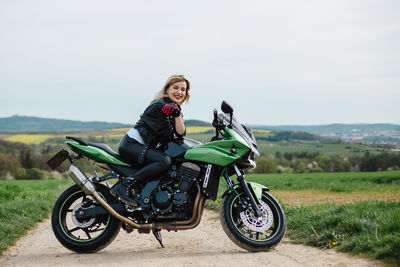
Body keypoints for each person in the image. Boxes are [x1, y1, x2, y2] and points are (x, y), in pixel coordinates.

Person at [111, 75, 190, 205]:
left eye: (183, 89)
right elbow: (169, 136)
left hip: (143, 146)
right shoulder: (160, 105)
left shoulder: (174, 108)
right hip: (132, 145)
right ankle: (125, 185)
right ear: (167, 90)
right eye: (175, 88)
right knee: (164, 161)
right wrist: (175, 116)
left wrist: (177, 115)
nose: (179, 92)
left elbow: (181, 133)